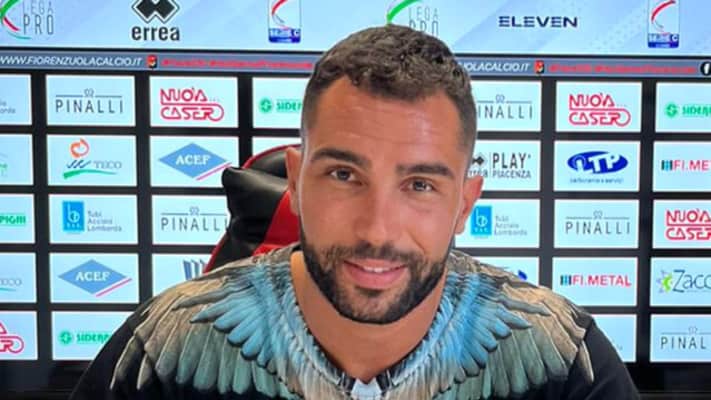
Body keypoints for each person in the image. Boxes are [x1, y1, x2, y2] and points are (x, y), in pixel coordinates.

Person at [70, 24, 640, 400]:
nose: (377, 229)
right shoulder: (166, 349)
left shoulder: (564, 360)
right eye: (344, 175)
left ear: (464, 203)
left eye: (420, 184)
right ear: (297, 181)